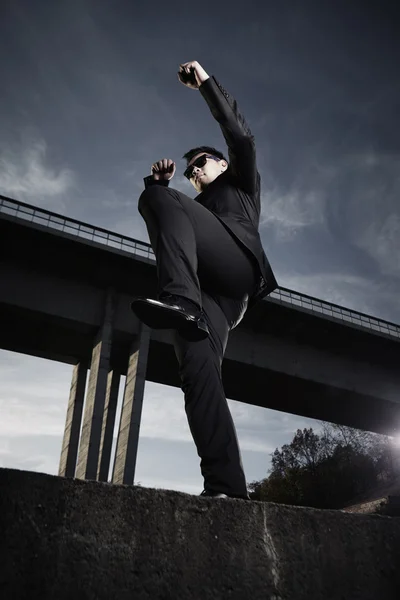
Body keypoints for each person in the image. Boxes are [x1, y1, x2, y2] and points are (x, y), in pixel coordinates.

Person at [131, 61, 278, 500]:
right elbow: (175, 232)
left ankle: (181, 301)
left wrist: (205, 84)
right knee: (196, 372)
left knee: (158, 197)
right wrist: (160, 186)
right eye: (191, 169)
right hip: (214, 301)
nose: (195, 172)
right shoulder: (196, 205)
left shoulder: (241, 184)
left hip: (236, 266)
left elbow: (241, 137)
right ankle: (227, 487)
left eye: (201, 164)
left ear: (219, 162)